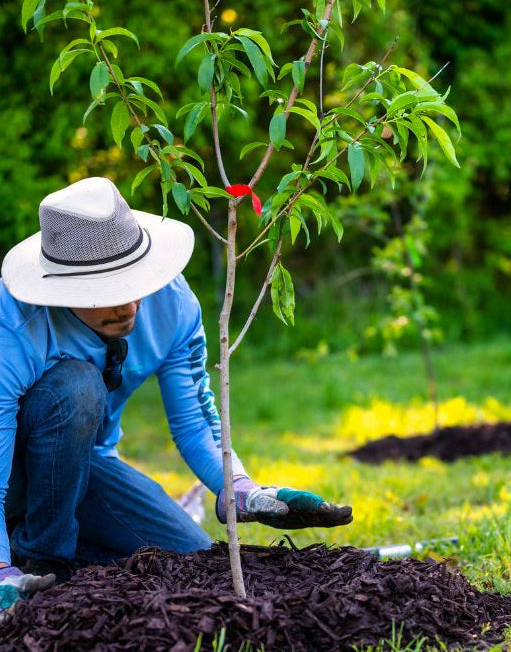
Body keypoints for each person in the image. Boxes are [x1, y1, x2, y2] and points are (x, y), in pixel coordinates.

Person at [0, 177, 352, 620]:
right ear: (63, 289)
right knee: (77, 386)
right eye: (106, 292)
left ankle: (52, 554)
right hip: (11, 474)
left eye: (133, 282)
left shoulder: (171, 303)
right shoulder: (16, 322)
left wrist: (240, 489)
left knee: (190, 558)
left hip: (84, 468)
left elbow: (194, 419)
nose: (129, 305)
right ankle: (38, 561)